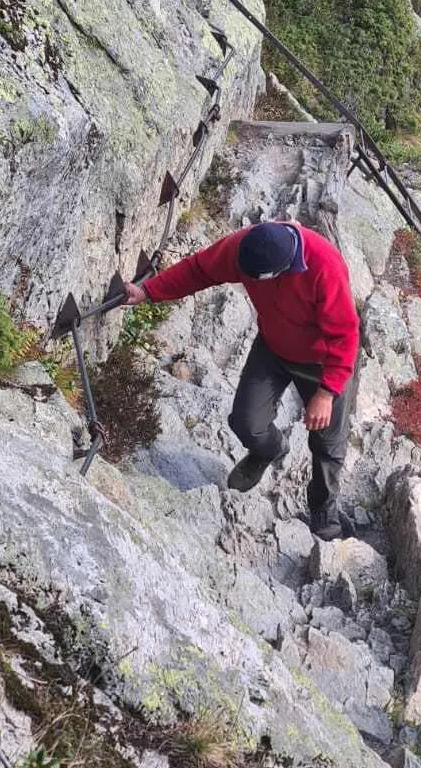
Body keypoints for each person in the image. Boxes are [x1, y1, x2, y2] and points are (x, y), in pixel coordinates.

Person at [122, 220, 359, 540]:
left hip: (322, 361)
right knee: (245, 421)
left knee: (328, 444)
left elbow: (345, 335)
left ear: (285, 269)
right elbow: (199, 270)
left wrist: (327, 393)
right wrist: (148, 291)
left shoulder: (324, 267)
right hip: (274, 348)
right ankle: (268, 450)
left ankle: (324, 516)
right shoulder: (246, 246)